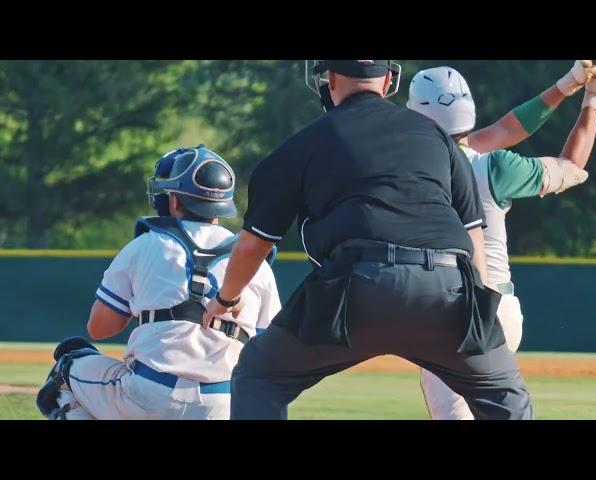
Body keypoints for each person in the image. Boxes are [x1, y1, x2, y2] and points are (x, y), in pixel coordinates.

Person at [204, 60, 534, 420]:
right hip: (446, 291)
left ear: (327, 78)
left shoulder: (304, 144)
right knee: (504, 392)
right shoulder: (438, 139)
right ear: (390, 78)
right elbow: (474, 239)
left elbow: (254, 244)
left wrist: (226, 298)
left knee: (259, 374)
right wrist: (479, 319)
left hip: (355, 292)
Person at [407, 61, 596, 419]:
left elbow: (505, 128)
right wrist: (591, 100)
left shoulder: (405, 167)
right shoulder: (493, 167)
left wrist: (566, 84)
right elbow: (570, 165)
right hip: (501, 313)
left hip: (444, 316)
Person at [36, 145, 281, 420]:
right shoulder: (253, 262)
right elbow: (269, 352)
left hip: (149, 395)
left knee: (67, 365)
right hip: (225, 405)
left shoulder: (145, 245)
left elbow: (99, 328)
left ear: (174, 201)